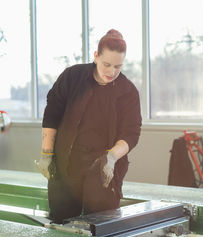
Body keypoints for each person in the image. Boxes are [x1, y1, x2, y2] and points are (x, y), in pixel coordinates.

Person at [36, 29, 142, 223]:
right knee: (61, 225)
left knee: (101, 228)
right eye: (106, 64)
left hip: (103, 169)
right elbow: (52, 114)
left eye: (118, 66)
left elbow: (132, 133)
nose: (111, 72)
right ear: (96, 56)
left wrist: (111, 157)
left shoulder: (128, 91)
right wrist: (46, 153)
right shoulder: (72, 77)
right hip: (66, 164)